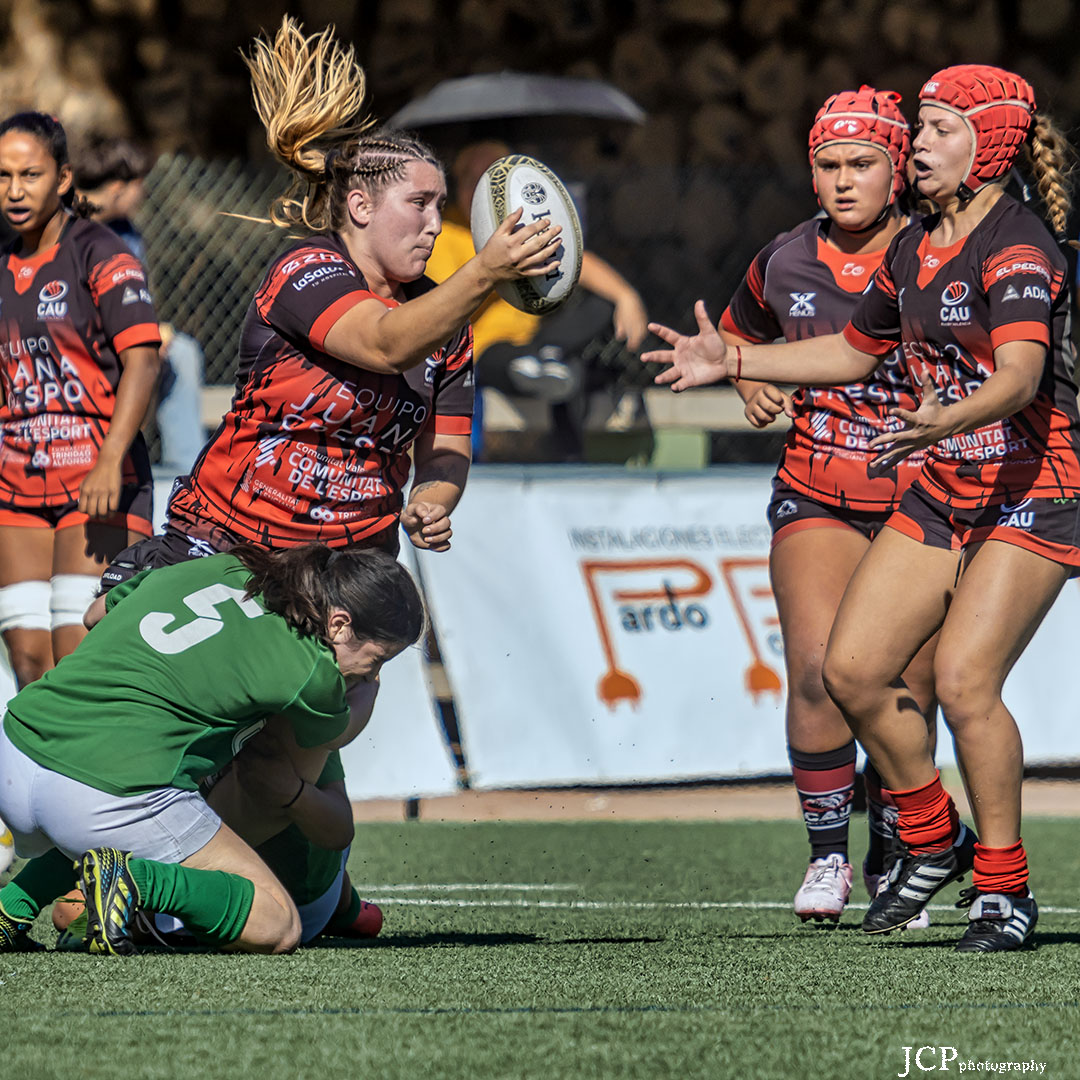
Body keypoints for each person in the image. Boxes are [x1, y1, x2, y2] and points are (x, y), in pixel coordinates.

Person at [644, 64, 1076, 952]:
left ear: (989, 145)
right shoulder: (916, 247)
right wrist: (734, 363)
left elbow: (1023, 376)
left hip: (1035, 485)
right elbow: (847, 352)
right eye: (918, 127)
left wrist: (947, 418)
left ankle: (1003, 887)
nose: (920, 144)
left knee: (961, 680)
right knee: (848, 671)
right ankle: (931, 834)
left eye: (941, 129)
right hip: (945, 479)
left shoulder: (1020, 245)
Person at [103, 18, 560, 588]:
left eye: (440, 206)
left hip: (351, 560)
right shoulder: (307, 272)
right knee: (111, 632)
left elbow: (445, 447)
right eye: (418, 203)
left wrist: (433, 497)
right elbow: (383, 343)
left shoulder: (448, 324)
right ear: (362, 207)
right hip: (235, 535)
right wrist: (486, 271)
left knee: (358, 671)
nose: (434, 225)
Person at [720, 87, 937, 925]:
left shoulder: (937, 251)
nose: (843, 181)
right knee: (815, 671)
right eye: (828, 165)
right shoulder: (783, 259)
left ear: (897, 170)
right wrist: (749, 378)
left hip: (926, 497)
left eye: (862, 164)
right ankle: (827, 860)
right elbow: (739, 338)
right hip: (817, 487)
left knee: (901, 684)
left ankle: (896, 862)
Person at [0, 542, 424, 955]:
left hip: (18, 743)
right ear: (339, 624)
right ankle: (132, 880)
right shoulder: (311, 667)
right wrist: (371, 688)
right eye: (378, 658)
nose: (371, 671)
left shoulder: (225, 568)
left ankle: (11, 906)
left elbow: (95, 613)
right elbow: (333, 737)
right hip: (100, 791)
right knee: (279, 923)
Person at [0, 112, 161, 688]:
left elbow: (144, 360)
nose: (15, 190)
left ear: (64, 178)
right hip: (17, 481)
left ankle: (107, 778)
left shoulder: (99, 249)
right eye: (2, 176)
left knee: (79, 658)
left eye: (30, 174)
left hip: (97, 477)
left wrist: (112, 460)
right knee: (27, 660)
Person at [424, 139, 649, 461]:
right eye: (471, 179)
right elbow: (448, 306)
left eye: (487, 180)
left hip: (537, 340)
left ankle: (548, 357)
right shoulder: (446, 231)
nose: (478, 189)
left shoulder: (522, 226)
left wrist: (627, 296)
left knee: (598, 311)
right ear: (458, 185)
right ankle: (541, 373)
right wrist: (494, 270)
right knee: (519, 364)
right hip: (482, 350)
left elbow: (578, 262)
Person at [73, 135, 208, 475]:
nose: (143, 193)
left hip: (121, 332)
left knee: (181, 353)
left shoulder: (127, 233)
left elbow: (136, 299)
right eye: (139, 185)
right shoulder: (66, 227)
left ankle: (186, 474)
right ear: (118, 188)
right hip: (75, 337)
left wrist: (150, 333)